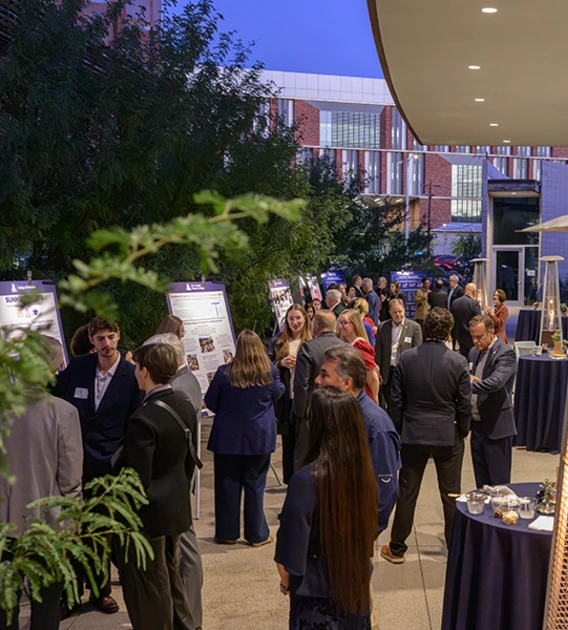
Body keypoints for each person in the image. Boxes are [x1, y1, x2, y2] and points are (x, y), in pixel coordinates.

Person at [53, 315, 143, 614]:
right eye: (101, 338)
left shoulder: (131, 376)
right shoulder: (77, 368)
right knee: (69, 531)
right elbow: (54, 399)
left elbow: (136, 423)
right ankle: (69, 595)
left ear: (119, 336)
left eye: (112, 337)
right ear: (91, 340)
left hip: (109, 467)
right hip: (70, 463)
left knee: (100, 533)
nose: (107, 344)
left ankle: (100, 590)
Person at [275, 387, 378, 629]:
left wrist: (286, 582)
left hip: (315, 598)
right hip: (355, 589)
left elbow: (289, 550)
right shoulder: (363, 474)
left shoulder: (306, 479)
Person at [0, 337, 83, 630]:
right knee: (47, 602)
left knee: (4, 601)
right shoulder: (64, 412)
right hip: (49, 523)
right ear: (54, 367)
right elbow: (71, 478)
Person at [116, 342, 198, 630]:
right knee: (170, 576)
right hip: (176, 506)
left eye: (136, 367)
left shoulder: (144, 418)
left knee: (151, 587)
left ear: (145, 371)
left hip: (149, 516)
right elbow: (190, 457)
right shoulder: (183, 401)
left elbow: (136, 481)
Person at [381, 308, 471, 564]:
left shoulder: (407, 359)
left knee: (407, 492)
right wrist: (461, 431)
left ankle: (397, 547)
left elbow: (396, 402)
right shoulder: (458, 362)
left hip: (413, 433)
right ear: (448, 331)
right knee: (451, 495)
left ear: (425, 327)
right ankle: (455, 550)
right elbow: (464, 404)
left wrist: (399, 431)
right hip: (447, 434)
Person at [144, 334, 203, 630]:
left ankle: (190, 616)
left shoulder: (176, 389)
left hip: (172, 486)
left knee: (186, 552)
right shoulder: (187, 380)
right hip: (179, 482)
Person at [205, 330, 285, 545]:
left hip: (227, 438)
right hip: (258, 437)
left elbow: (211, 402)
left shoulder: (224, 373)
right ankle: (257, 535)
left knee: (226, 486)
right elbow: (279, 394)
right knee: (255, 485)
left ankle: (227, 534)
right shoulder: (270, 373)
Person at [315, 346, 401, 534]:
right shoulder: (339, 411)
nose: (317, 380)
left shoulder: (376, 426)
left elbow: (385, 489)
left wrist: (365, 535)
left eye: (324, 375)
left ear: (346, 383)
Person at [292, 310, 349, 471]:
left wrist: (301, 413)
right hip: (341, 410)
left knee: (306, 459)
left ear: (315, 326)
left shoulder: (308, 348)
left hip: (312, 411)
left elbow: (301, 384)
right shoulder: (347, 348)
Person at [468, 315, 517, 487]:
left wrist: (469, 384)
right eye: (472, 336)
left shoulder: (506, 353)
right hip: (476, 426)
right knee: (481, 484)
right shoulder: (474, 352)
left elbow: (495, 382)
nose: (475, 341)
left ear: (491, 332)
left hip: (497, 428)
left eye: (479, 337)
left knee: (499, 485)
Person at [270, 304, 312, 483]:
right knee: (288, 442)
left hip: (305, 396)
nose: (295, 322)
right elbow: (268, 365)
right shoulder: (278, 340)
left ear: (305, 319)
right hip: (286, 397)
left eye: (298, 318)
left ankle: (305, 479)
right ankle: (290, 481)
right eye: (291, 319)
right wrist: (281, 363)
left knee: (305, 441)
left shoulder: (311, 340)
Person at [375, 299, 422, 410]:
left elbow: (417, 353)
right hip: (388, 372)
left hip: (404, 371)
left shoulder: (414, 327)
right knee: (389, 403)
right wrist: (378, 371)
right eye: (395, 312)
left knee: (404, 402)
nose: (398, 314)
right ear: (390, 312)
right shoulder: (383, 327)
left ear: (404, 310)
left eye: (400, 311)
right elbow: (379, 351)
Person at [338, 309, 379, 403]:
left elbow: (372, 376)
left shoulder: (360, 344)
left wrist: (375, 398)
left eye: (345, 323)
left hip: (362, 397)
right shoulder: (345, 342)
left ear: (354, 324)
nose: (340, 326)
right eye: (340, 322)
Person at [451, 282, 482, 357]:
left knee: (463, 355)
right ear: (474, 292)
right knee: (473, 356)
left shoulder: (455, 302)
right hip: (471, 335)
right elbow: (479, 319)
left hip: (458, 335)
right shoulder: (474, 303)